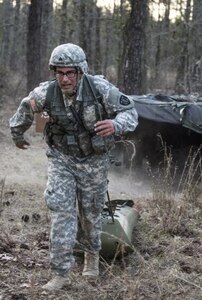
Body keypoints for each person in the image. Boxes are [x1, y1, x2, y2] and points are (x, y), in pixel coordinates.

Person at [9, 43, 138, 291]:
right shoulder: (45, 93)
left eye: (70, 73)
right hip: (62, 159)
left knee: (90, 213)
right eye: (60, 73)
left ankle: (91, 255)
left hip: (94, 160)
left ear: (80, 71)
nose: (65, 78)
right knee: (61, 211)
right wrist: (17, 135)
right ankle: (60, 272)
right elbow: (26, 109)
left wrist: (115, 124)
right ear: (54, 72)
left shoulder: (100, 88)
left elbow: (129, 111)